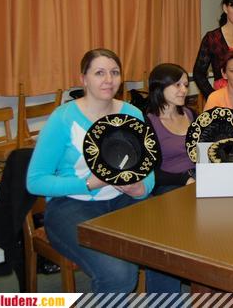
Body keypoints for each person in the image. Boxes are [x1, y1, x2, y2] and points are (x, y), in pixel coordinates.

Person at [26, 48, 155, 293]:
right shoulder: (63, 118)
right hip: (71, 206)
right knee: (119, 274)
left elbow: (147, 169)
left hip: (123, 202)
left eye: (114, 72)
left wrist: (140, 188)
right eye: (99, 73)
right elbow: (35, 181)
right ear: (83, 79)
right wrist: (87, 184)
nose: (108, 79)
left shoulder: (132, 114)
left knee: (167, 249)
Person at [146, 63, 196, 194]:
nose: (184, 90)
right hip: (170, 182)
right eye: (177, 85)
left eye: (186, 85)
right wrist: (184, 179)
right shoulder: (148, 123)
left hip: (198, 175)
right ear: (160, 86)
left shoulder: (191, 114)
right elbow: (149, 171)